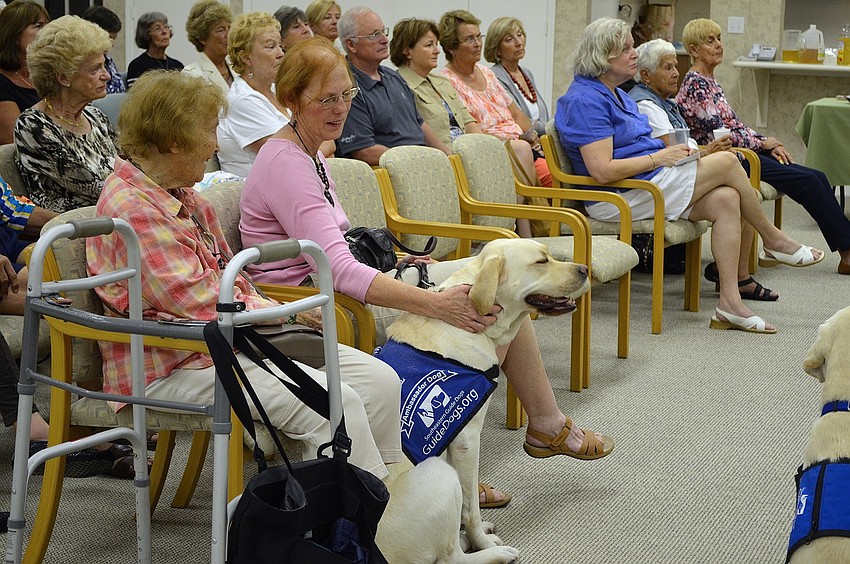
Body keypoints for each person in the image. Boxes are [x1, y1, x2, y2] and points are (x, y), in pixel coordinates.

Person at [240, 39, 614, 506]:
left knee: (495, 283)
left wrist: (401, 263)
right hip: (309, 300)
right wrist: (436, 302)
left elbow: (335, 242)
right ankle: (511, 436)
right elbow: (334, 270)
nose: (339, 110)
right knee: (482, 298)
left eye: (345, 96)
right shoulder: (288, 163)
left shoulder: (310, 150)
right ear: (291, 100)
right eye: (325, 99)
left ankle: (531, 427)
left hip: (334, 282)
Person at [86, 70, 402, 479]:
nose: (215, 146)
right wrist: (285, 314)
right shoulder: (134, 208)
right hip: (171, 361)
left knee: (380, 381)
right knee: (334, 403)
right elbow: (201, 303)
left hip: (230, 341)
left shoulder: (182, 195)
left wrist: (276, 311)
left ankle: (386, 498)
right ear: (172, 141)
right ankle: (357, 522)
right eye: (209, 131)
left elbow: (230, 280)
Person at [556, 18, 823, 333]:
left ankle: (730, 304)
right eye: (625, 49)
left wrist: (671, 148)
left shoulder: (615, 93)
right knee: (727, 162)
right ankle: (775, 240)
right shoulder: (585, 100)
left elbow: (635, 143)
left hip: (647, 182)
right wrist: (660, 156)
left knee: (726, 199)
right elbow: (602, 171)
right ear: (602, 57)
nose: (634, 54)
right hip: (618, 196)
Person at [675, 18, 850, 276]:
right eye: (709, 41)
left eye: (719, 38)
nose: (719, 45)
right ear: (693, 50)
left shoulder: (710, 81)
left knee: (817, 176)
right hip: (728, 158)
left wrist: (766, 143)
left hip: (745, 151)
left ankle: (845, 250)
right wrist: (762, 143)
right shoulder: (695, 84)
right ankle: (848, 254)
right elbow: (720, 134)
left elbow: (735, 125)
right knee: (808, 182)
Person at [628, 38, 777, 302]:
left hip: (676, 173)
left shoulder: (667, 102)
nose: (676, 73)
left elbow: (684, 146)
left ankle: (739, 280)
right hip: (657, 182)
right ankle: (773, 239)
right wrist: (709, 151)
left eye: (676, 66)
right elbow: (677, 151)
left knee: (739, 194)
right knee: (733, 168)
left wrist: (707, 149)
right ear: (646, 76)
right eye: (668, 67)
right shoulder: (645, 104)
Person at [14, 16, 117, 214]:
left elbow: (124, 169)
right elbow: (94, 186)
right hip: (73, 233)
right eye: (95, 69)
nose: (107, 75)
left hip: (115, 218)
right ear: (63, 77)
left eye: (104, 65)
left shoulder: (96, 117)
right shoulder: (34, 126)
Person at [438, 10, 551, 190]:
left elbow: (515, 113)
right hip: (494, 152)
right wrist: (515, 141)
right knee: (551, 178)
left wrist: (532, 137)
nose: (477, 44)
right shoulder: (445, 81)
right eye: (469, 39)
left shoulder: (487, 73)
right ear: (451, 47)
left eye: (478, 37)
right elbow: (467, 129)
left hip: (522, 145)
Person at [336, 7, 450, 165]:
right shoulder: (346, 87)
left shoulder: (394, 77)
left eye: (384, 31)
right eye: (375, 35)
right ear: (351, 45)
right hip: (391, 173)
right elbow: (364, 151)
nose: (385, 40)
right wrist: (415, 163)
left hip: (419, 165)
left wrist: (448, 157)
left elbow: (419, 124)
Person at [216, 12, 291, 177]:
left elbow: (318, 144)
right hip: (260, 196)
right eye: (271, 47)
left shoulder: (275, 90)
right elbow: (288, 157)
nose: (281, 54)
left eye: (281, 46)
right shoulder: (242, 100)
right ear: (246, 58)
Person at [390, 17, 481, 148]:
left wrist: (483, 146)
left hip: (467, 150)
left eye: (436, 44)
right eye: (429, 45)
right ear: (407, 51)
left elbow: (468, 122)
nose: (437, 50)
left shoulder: (442, 82)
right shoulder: (399, 86)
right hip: (440, 157)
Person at [485, 17, 549, 138]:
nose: (519, 43)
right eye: (509, 39)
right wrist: (553, 127)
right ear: (497, 49)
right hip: (521, 142)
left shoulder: (526, 72)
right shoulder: (494, 77)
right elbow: (519, 118)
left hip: (540, 139)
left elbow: (541, 115)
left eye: (520, 35)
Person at [0, 0, 49, 145]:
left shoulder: (50, 74)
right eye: (39, 26)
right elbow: (14, 140)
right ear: (14, 36)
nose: (48, 32)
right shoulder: (2, 82)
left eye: (48, 25)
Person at [182, 0, 234, 96]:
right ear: (202, 38)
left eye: (229, 28)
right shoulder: (192, 74)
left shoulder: (237, 66)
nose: (228, 35)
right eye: (221, 30)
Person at [125, 12, 184, 89]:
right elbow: (136, 98)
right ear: (146, 35)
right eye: (157, 28)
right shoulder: (137, 66)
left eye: (166, 27)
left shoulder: (178, 66)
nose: (164, 32)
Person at [82, 5, 126, 94]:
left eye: (114, 38)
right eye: (109, 38)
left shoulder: (108, 59)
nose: (112, 44)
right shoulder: (81, 61)